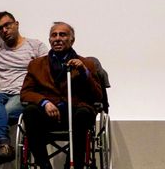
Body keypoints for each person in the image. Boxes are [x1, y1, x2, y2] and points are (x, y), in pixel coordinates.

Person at [0, 11, 48, 169]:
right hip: (2, 95)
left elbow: (48, 69)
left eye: (7, 25)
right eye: (0, 28)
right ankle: (3, 144)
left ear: (16, 24)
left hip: (25, 95)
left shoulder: (36, 46)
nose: (4, 30)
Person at [20, 22, 103, 169]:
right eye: (54, 35)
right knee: (29, 111)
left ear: (72, 40)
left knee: (83, 113)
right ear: (50, 39)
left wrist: (84, 72)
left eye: (63, 35)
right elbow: (26, 93)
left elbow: (97, 96)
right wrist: (44, 102)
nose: (57, 38)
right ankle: (44, 165)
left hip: (76, 113)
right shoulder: (36, 64)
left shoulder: (87, 64)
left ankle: (73, 166)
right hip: (49, 114)